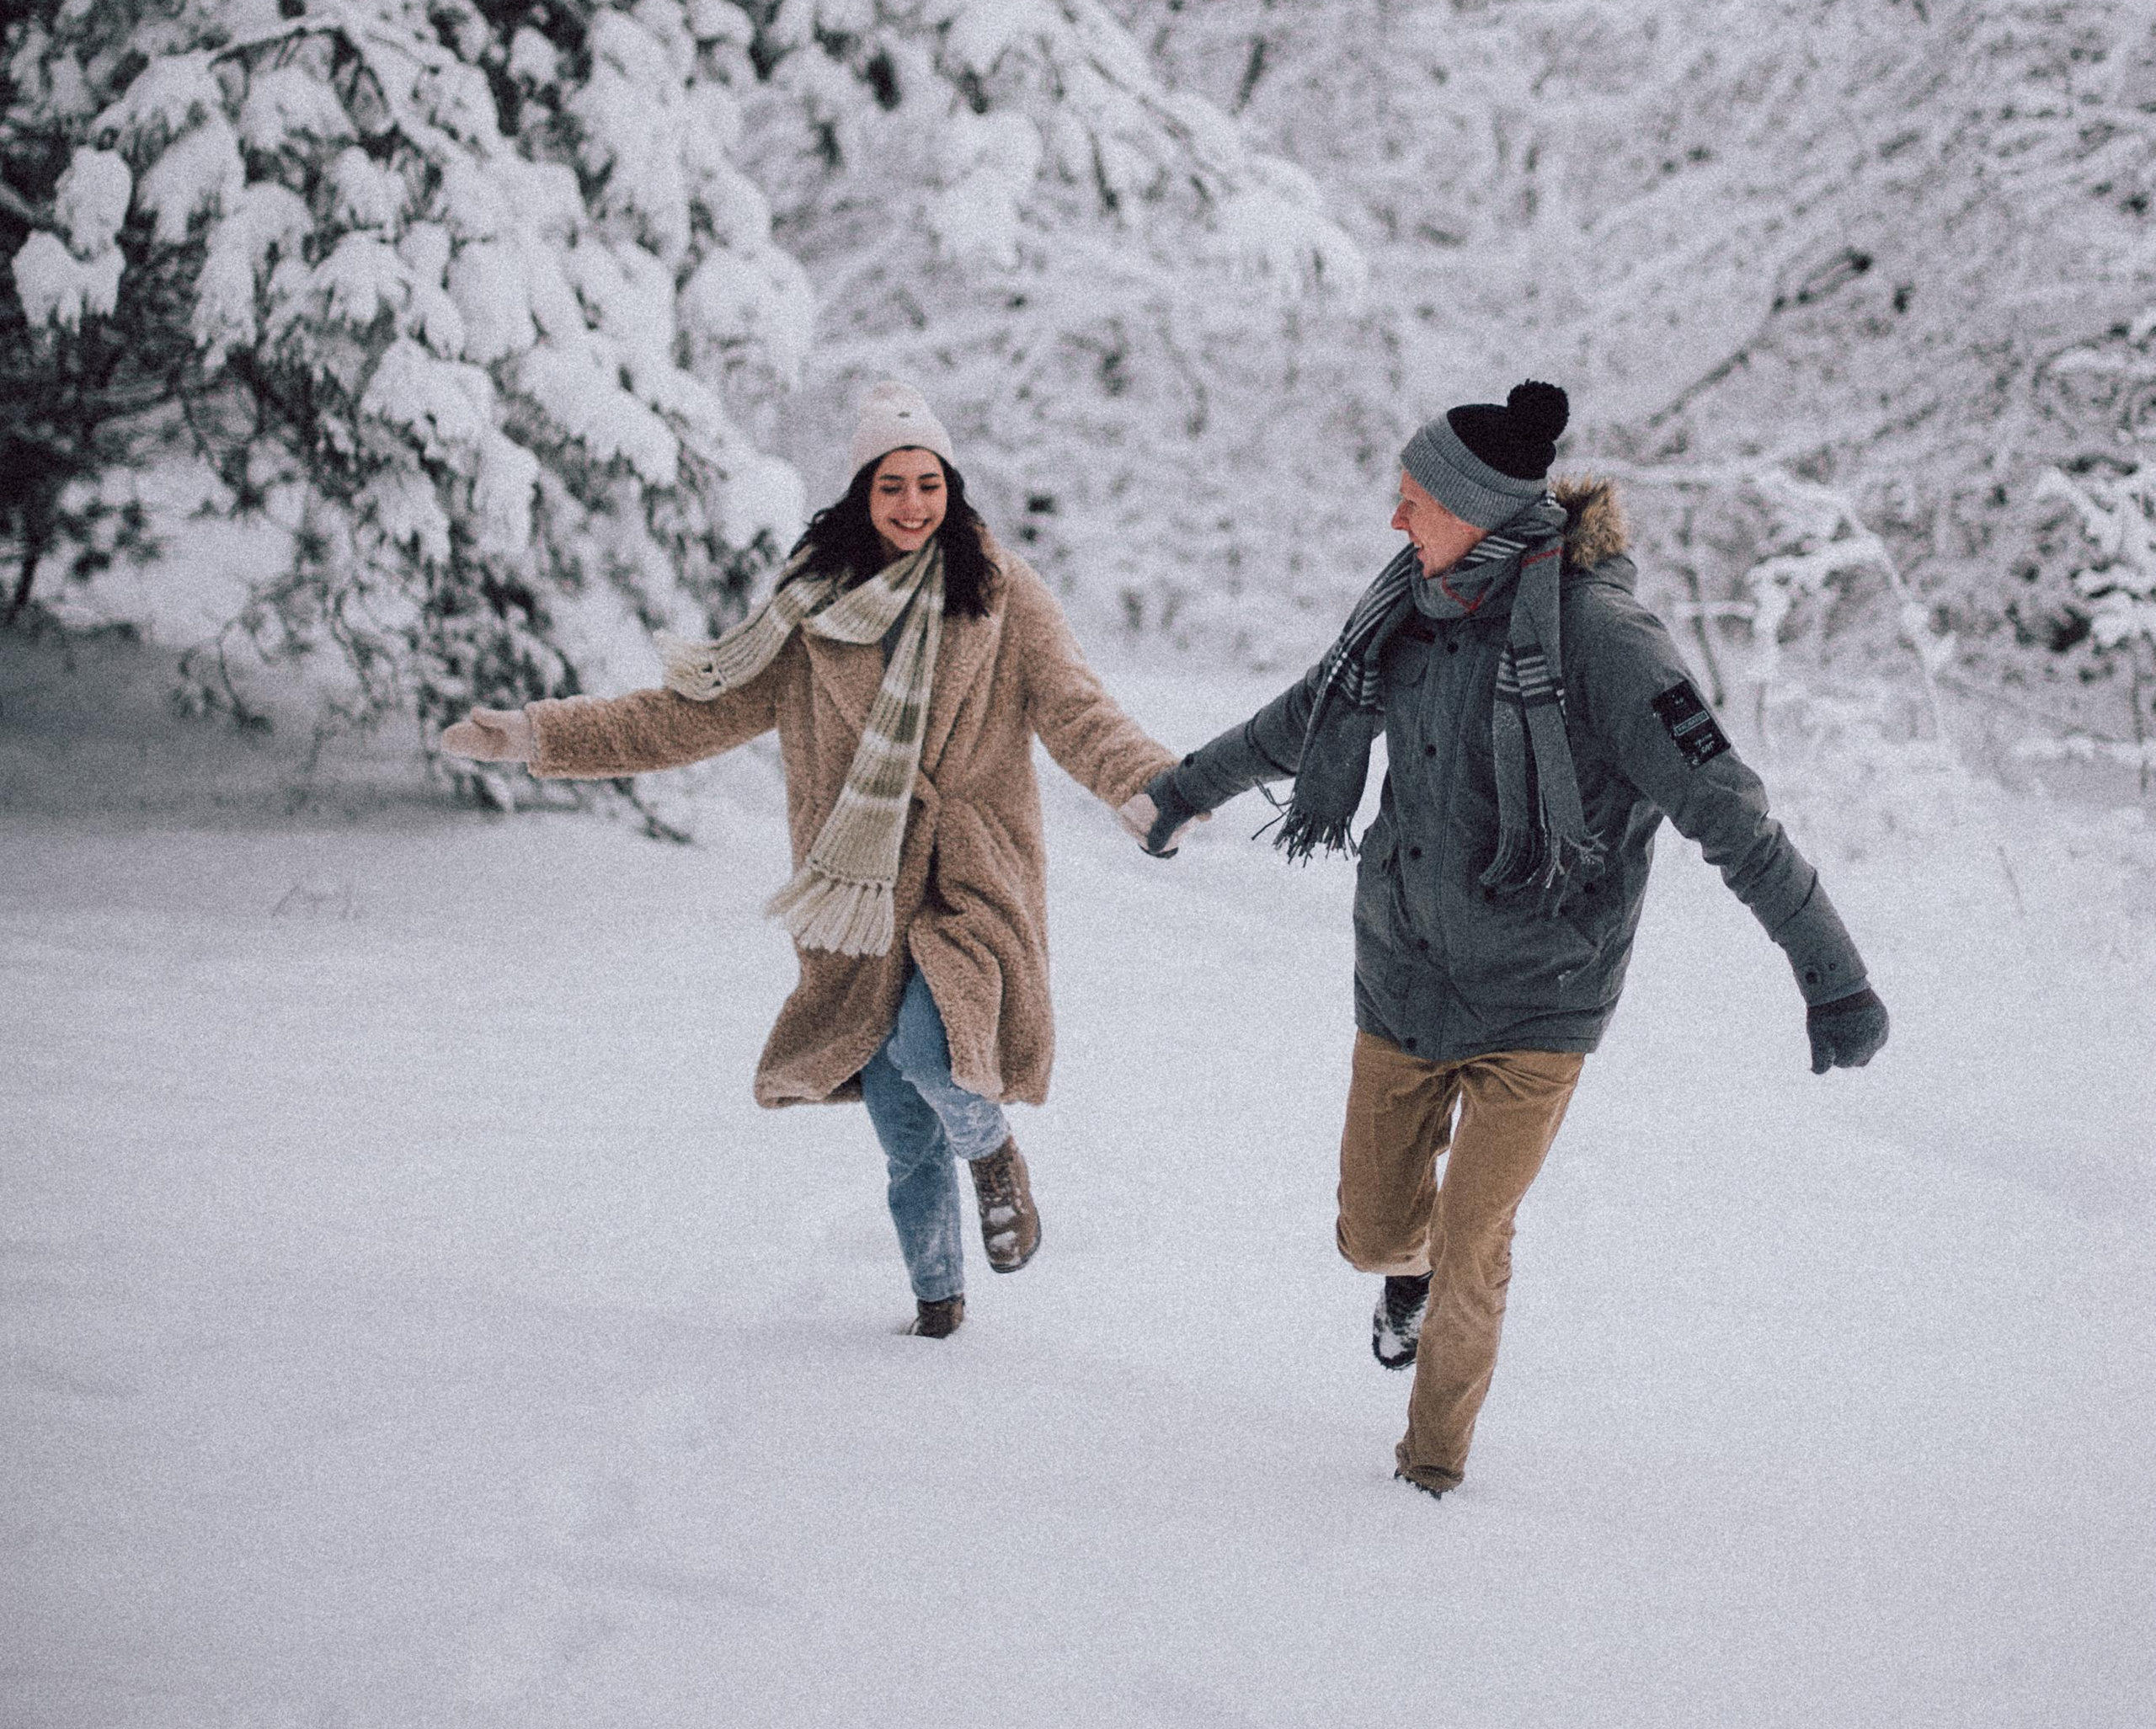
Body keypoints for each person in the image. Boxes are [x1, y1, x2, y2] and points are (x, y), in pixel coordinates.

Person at [1133, 379, 1890, 1499]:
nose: (1395, 523)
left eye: (1413, 502)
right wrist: (1184, 788)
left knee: (1477, 1231)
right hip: (1403, 970)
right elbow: (1306, 717)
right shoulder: (1406, 608)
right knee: (1376, 1231)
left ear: (1477, 511)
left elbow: (1729, 808)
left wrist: (1834, 977)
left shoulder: (1604, 639)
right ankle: (1407, 1271)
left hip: (1543, 992)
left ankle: (1429, 1471)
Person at [442, 382, 1173, 1337]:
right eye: (891, 486)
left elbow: (1077, 708)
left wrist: (1155, 782)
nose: (913, 504)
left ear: (950, 485)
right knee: (901, 1130)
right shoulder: (810, 614)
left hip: (968, 876)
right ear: (861, 495)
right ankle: (937, 1309)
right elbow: (687, 715)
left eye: (928, 482)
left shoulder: (1000, 592)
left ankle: (997, 1159)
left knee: (928, 1044)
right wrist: (535, 736)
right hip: (856, 901)